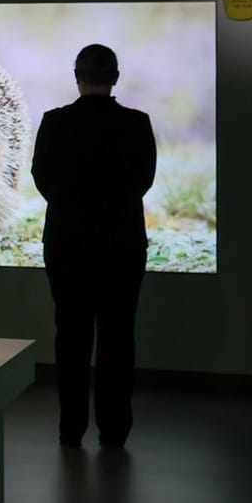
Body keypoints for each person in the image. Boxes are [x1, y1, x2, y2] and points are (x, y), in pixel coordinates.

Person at [30, 44, 156, 449]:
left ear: (77, 77)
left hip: (67, 243)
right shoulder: (137, 124)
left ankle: (71, 429)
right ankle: (115, 430)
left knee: (71, 336)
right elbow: (144, 180)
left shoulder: (54, 122)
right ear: (115, 77)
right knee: (118, 336)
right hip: (122, 244)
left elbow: (41, 176)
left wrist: (70, 205)